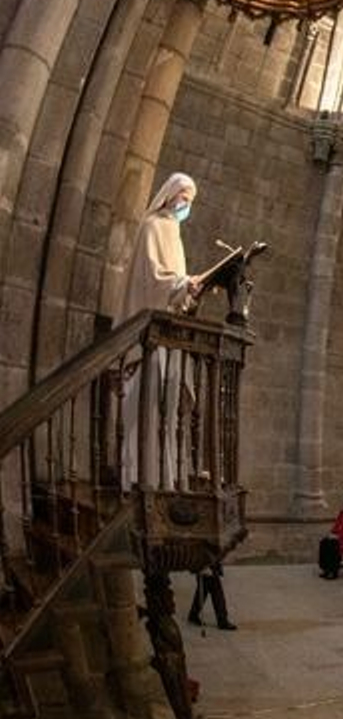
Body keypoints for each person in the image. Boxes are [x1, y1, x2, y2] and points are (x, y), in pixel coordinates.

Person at [120, 172, 205, 492]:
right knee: (145, 410)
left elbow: (169, 281)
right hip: (151, 337)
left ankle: (163, 478)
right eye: (184, 197)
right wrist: (183, 284)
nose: (187, 204)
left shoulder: (173, 230)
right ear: (169, 194)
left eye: (191, 200)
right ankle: (140, 479)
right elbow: (156, 278)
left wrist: (187, 288)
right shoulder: (155, 226)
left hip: (167, 333)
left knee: (165, 413)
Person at [187, 562, 234, 630]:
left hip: (209, 568)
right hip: (205, 568)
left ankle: (193, 615)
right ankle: (222, 620)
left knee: (203, 592)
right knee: (216, 593)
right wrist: (200, 567)